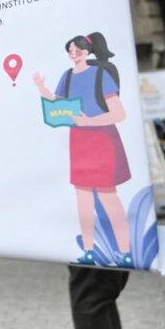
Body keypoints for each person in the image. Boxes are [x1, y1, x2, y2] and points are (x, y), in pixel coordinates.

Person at [33, 31, 132, 266]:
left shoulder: (100, 75)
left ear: (86, 51)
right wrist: (40, 86)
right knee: (83, 198)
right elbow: (57, 103)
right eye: (70, 50)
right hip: (79, 140)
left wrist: (89, 121)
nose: (73, 53)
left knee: (108, 196)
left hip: (102, 139)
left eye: (77, 50)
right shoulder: (67, 76)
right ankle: (89, 250)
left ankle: (125, 251)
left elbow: (119, 113)